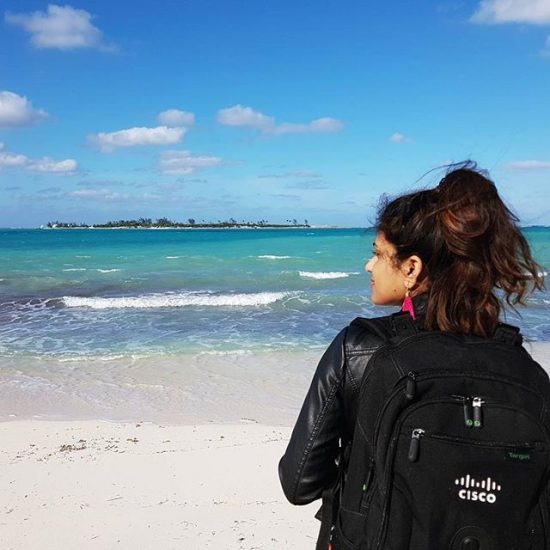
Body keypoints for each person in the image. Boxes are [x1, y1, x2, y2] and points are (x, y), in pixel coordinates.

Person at [278, 162, 546, 546]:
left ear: (411, 268)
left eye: (378, 253)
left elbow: (299, 481)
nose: (369, 265)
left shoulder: (360, 348)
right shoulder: (526, 371)